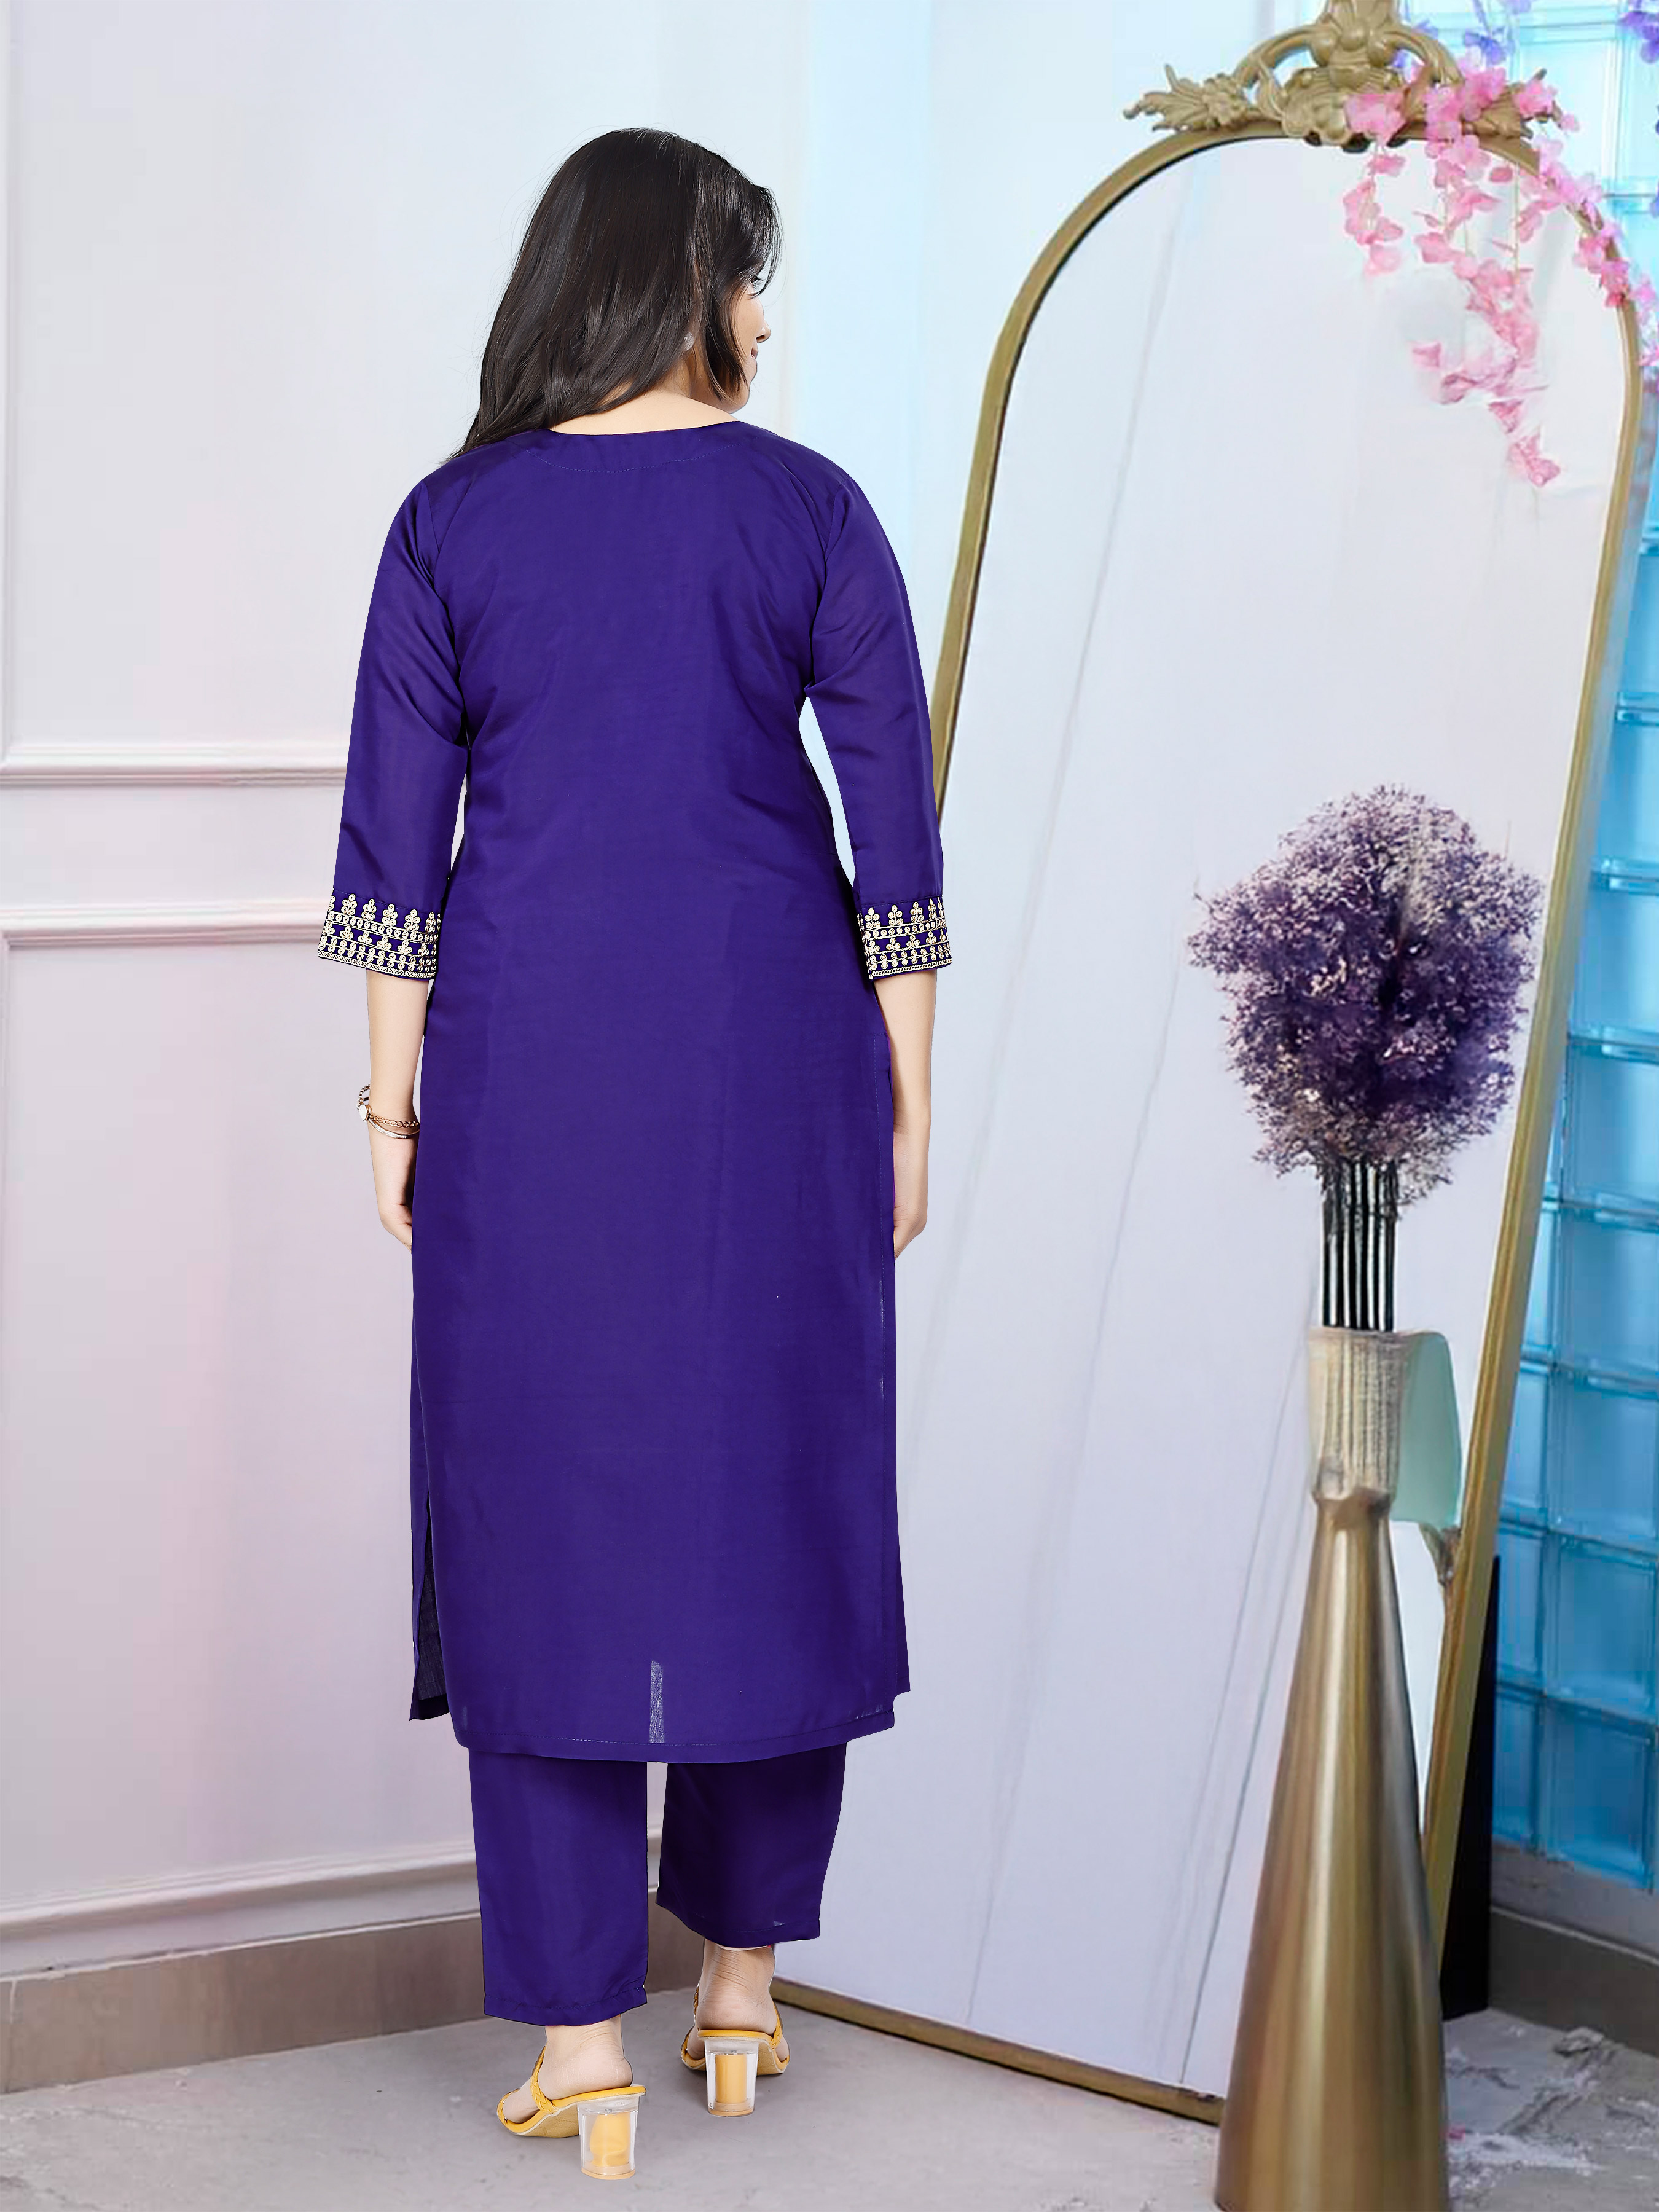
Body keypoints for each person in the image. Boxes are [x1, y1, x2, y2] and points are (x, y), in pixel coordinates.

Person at [320, 126, 947, 2181]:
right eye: (750, 276)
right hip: (781, 1059)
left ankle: (582, 2038)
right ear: (681, 281)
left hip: (529, 1062)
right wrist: (911, 1097)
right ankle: (741, 1990)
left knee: (540, 1513)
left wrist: (391, 1102)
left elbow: (392, 849)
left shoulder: (452, 520)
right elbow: (894, 841)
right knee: (775, 1487)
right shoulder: (810, 507)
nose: (765, 317)